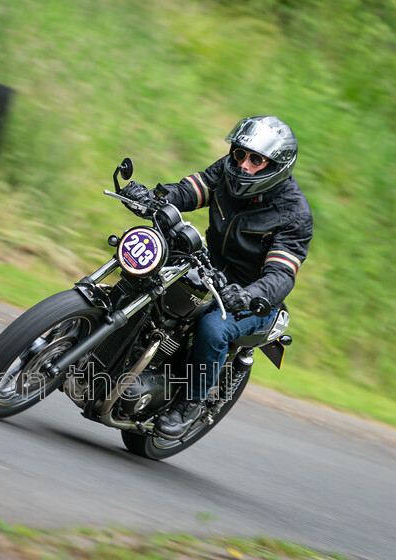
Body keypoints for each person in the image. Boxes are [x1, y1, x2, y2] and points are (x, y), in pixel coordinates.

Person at [120, 115, 313, 439]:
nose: (244, 165)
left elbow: (281, 273)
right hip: (209, 264)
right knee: (148, 273)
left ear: (276, 165)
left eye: (256, 159)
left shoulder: (294, 214)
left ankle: (190, 404)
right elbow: (190, 191)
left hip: (252, 297)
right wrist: (155, 198)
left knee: (213, 327)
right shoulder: (227, 170)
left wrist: (252, 296)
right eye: (240, 154)